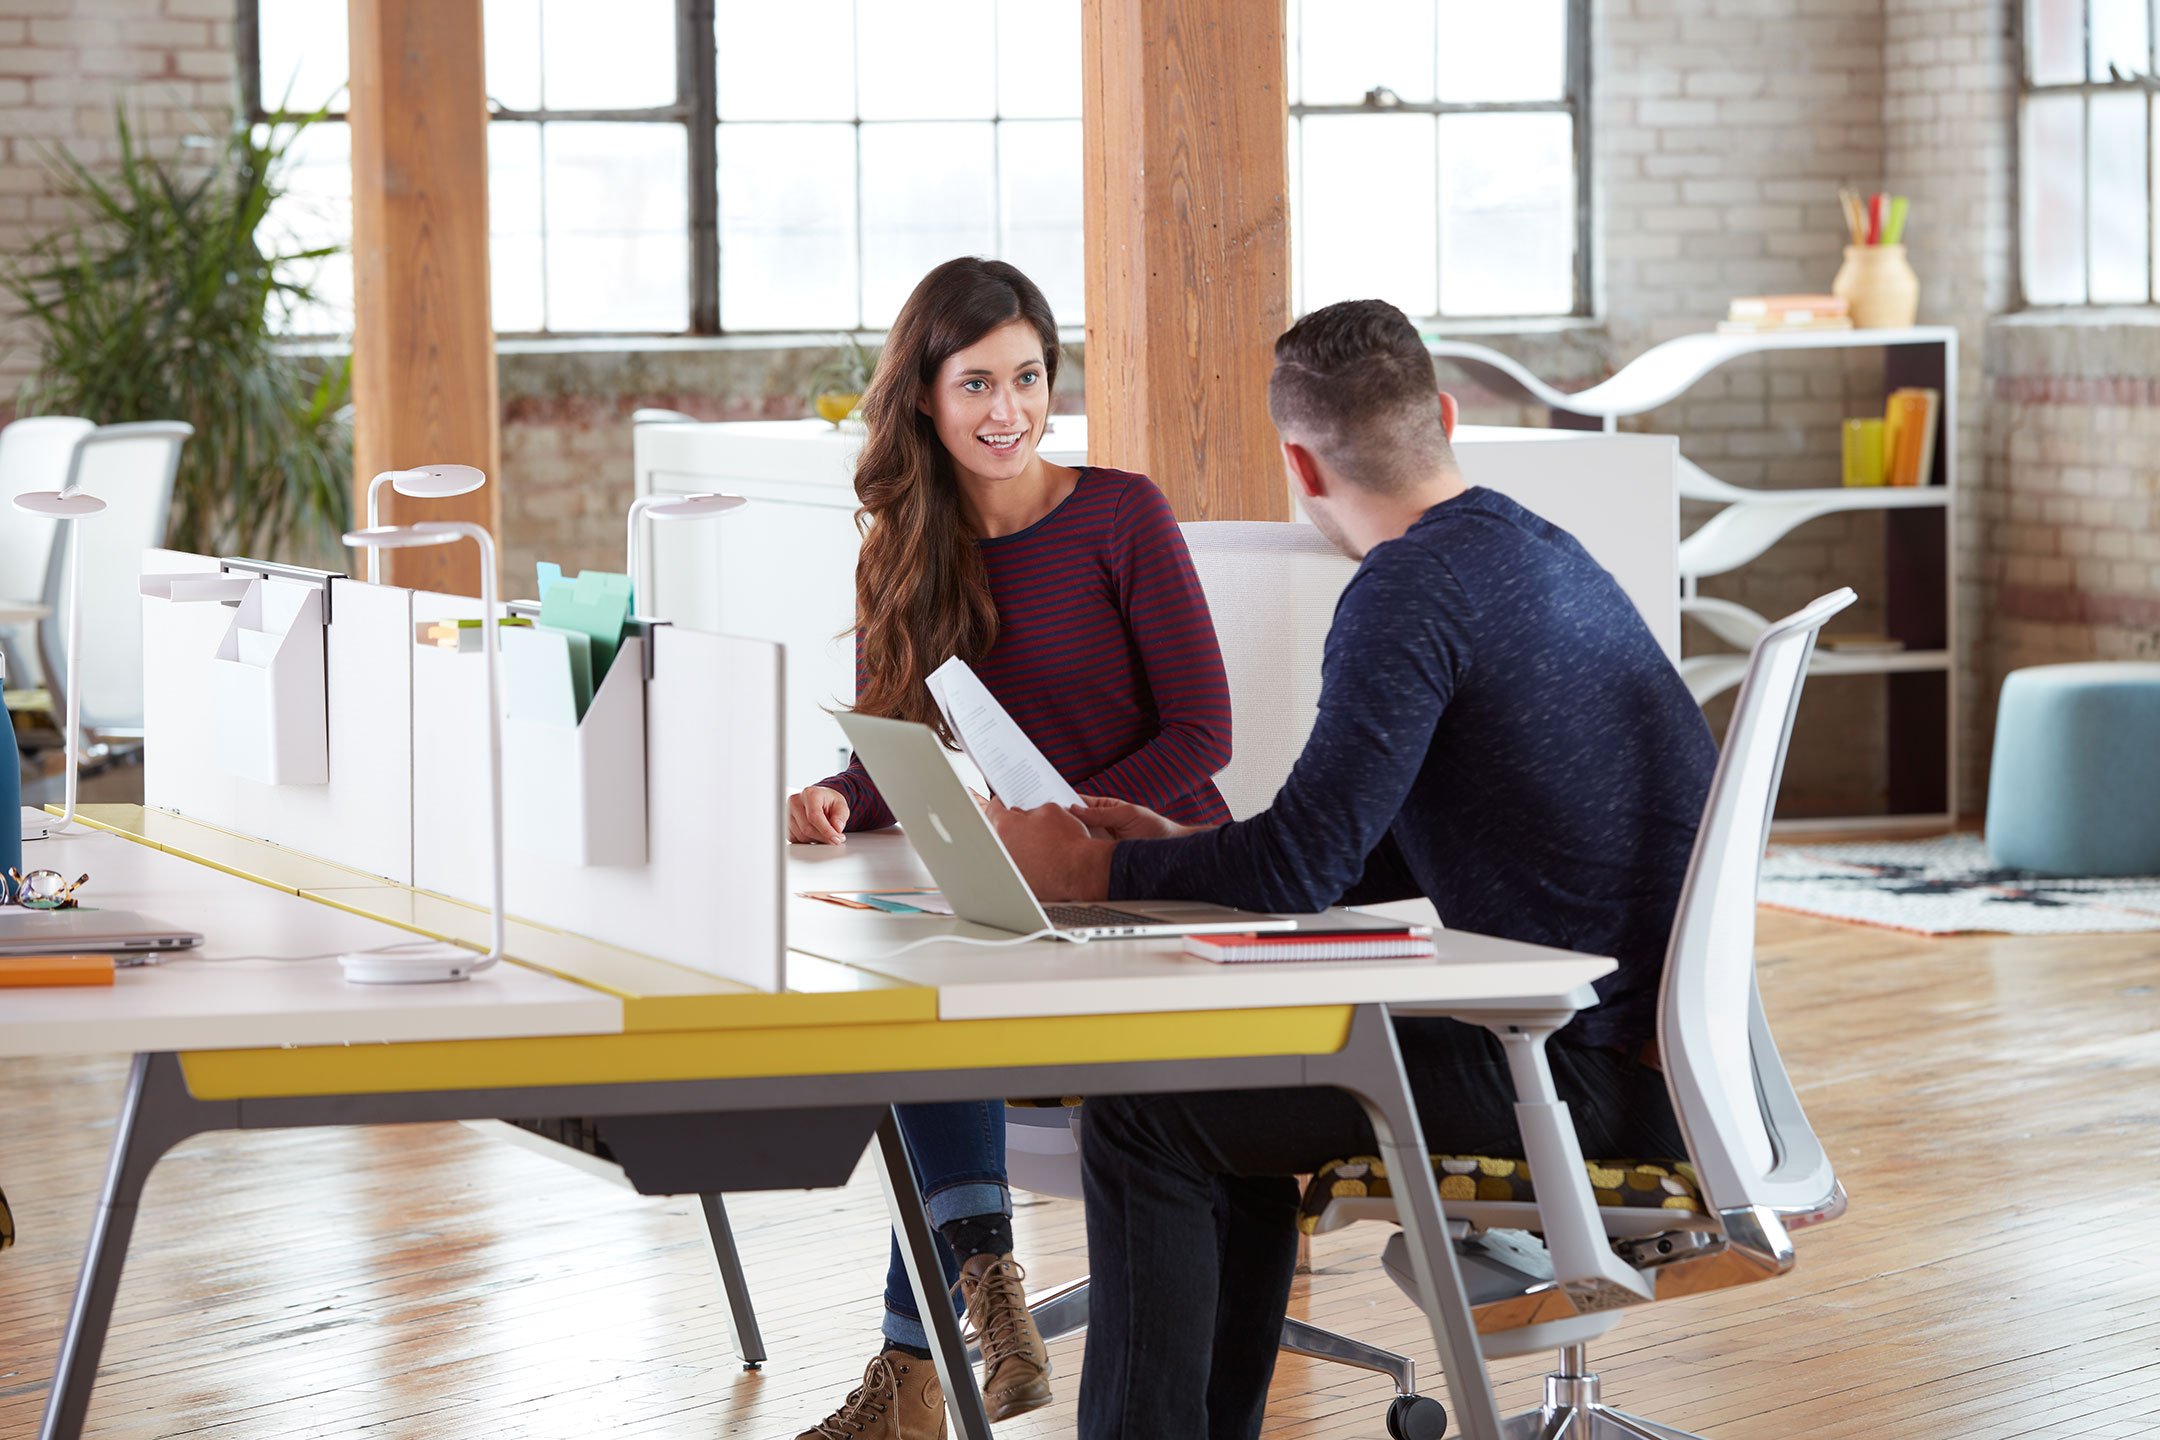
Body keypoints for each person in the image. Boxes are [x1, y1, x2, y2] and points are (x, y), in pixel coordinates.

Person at [986, 298, 1719, 1440]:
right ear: (1443, 414)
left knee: (1141, 1107)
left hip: (1572, 1081)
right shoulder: (1532, 549)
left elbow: (1302, 866)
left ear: (1297, 460)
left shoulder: (1405, 592)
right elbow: (1352, 854)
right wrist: (1165, 850)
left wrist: (1081, 874)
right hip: (1657, 1066)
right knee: (1216, 1079)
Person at [784, 257, 1234, 1440]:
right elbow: (898, 748)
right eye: (976, 383)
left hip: (1155, 879)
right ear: (925, 398)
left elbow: (1203, 735)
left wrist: (1069, 824)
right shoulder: (908, 544)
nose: (1008, 411)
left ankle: (923, 1361)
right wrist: (835, 796)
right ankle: (972, 1304)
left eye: (1028, 378)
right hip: (1033, 891)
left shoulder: (1119, 515)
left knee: (946, 987)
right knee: (923, 975)